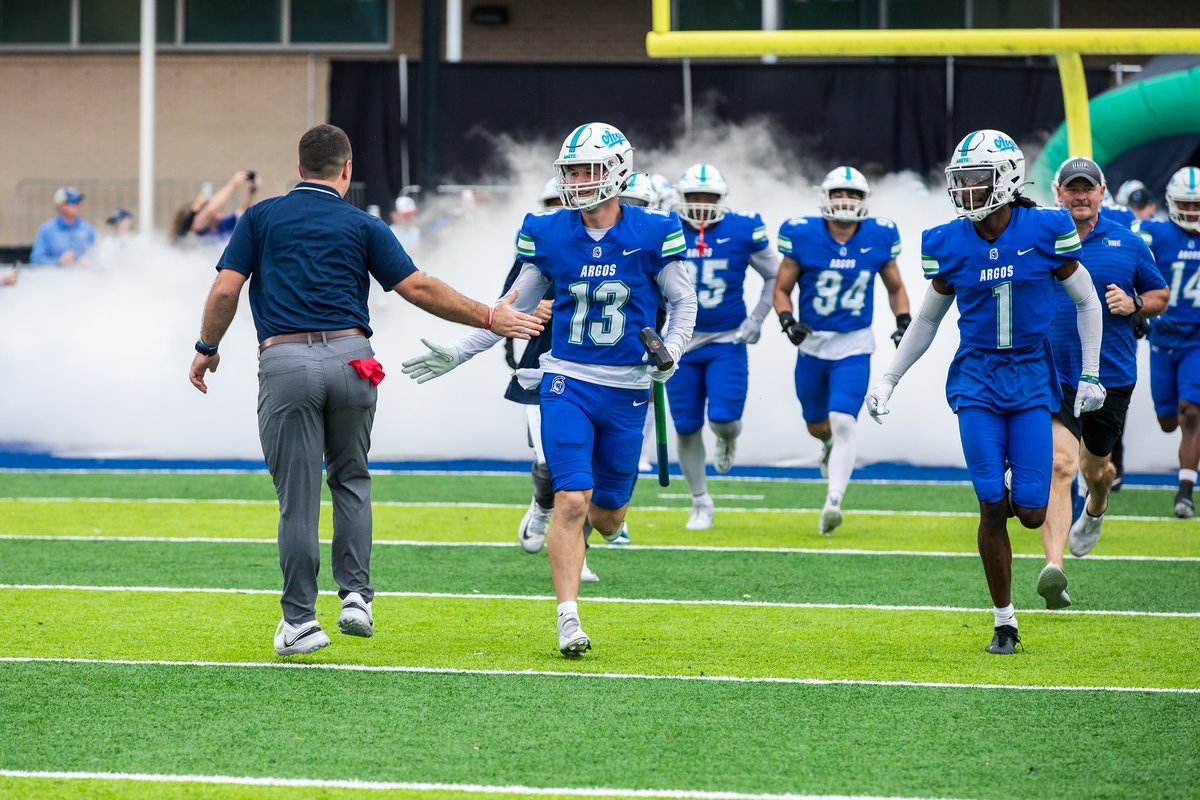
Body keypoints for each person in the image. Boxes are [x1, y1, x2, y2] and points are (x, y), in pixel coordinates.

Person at [187, 124, 543, 657]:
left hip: (284, 362)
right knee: (352, 479)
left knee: (299, 501)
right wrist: (490, 314)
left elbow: (224, 288)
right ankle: (356, 597)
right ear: (347, 170)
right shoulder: (362, 222)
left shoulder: (259, 217)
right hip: (354, 361)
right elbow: (417, 286)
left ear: (299, 165)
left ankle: (301, 623)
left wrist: (207, 346)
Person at [401, 122, 696, 658]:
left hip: (628, 388)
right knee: (572, 499)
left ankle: (572, 510)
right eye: (572, 171)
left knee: (607, 516)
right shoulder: (549, 229)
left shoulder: (654, 231)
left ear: (618, 171)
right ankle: (568, 617)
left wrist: (671, 351)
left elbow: (683, 303)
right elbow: (508, 307)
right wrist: (461, 351)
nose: (578, 181)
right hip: (568, 381)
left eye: (588, 170)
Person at [867, 130, 1104, 655]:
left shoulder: (1045, 227)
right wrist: (888, 377)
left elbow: (1088, 301)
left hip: (1031, 376)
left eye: (979, 180)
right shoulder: (948, 241)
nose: (968, 192)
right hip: (976, 378)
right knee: (990, 503)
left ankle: (1033, 497)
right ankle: (1004, 619)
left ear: (1009, 177)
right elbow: (927, 321)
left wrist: (1090, 374)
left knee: (1033, 511)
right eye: (962, 181)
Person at [1037, 157, 1168, 608]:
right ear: (1058, 193)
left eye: (1086, 188)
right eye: (1071, 188)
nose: (1079, 195)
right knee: (1059, 464)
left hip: (1111, 376)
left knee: (1097, 471)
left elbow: (1159, 296)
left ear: (1101, 192)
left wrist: (1134, 304)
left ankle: (1096, 507)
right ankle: (1054, 568)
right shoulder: (1041, 237)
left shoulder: (1127, 242)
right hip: (1056, 373)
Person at [774, 166, 910, 535]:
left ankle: (833, 499)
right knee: (817, 424)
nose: (845, 200)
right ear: (826, 197)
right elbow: (782, 288)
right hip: (813, 345)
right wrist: (788, 321)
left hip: (854, 344)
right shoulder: (802, 234)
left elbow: (894, 286)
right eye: (839, 193)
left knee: (844, 421)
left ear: (864, 200)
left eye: (852, 194)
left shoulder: (879, 236)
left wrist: (903, 321)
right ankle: (828, 447)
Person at [505, 177, 609, 580]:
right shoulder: (539, 243)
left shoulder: (609, 240)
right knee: (550, 463)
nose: (560, 207)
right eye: (551, 202)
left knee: (586, 466)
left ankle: (577, 548)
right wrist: (536, 309)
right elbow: (505, 306)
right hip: (543, 362)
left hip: (595, 366)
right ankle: (541, 505)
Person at [667, 163, 779, 529]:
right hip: (678, 342)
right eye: (694, 197)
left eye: (709, 197)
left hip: (726, 339)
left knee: (724, 419)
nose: (701, 204)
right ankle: (700, 500)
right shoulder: (665, 228)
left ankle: (727, 440)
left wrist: (757, 319)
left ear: (722, 199)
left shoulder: (743, 228)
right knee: (685, 426)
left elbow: (775, 274)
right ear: (680, 198)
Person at [1139, 166, 1200, 518]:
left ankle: (1185, 491)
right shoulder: (1154, 234)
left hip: (1196, 342)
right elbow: (1130, 266)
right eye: (1185, 205)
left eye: (1196, 206)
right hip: (1162, 340)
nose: (1191, 212)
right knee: (1168, 421)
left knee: (1191, 412)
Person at [30, 186, 95, 265]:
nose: (76, 205)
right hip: (57, 276)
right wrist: (59, 262)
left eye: (78, 201)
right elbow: (36, 259)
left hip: (82, 276)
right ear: (60, 205)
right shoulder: (47, 230)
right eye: (72, 201)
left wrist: (90, 262)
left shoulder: (88, 229)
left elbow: (98, 256)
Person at [192, 170, 260, 241]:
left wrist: (253, 191)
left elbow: (243, 210)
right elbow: (210, 209)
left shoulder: (224, 224)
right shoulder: (201, 229)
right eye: (217, 207)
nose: (219, 208)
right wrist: (233, 184)